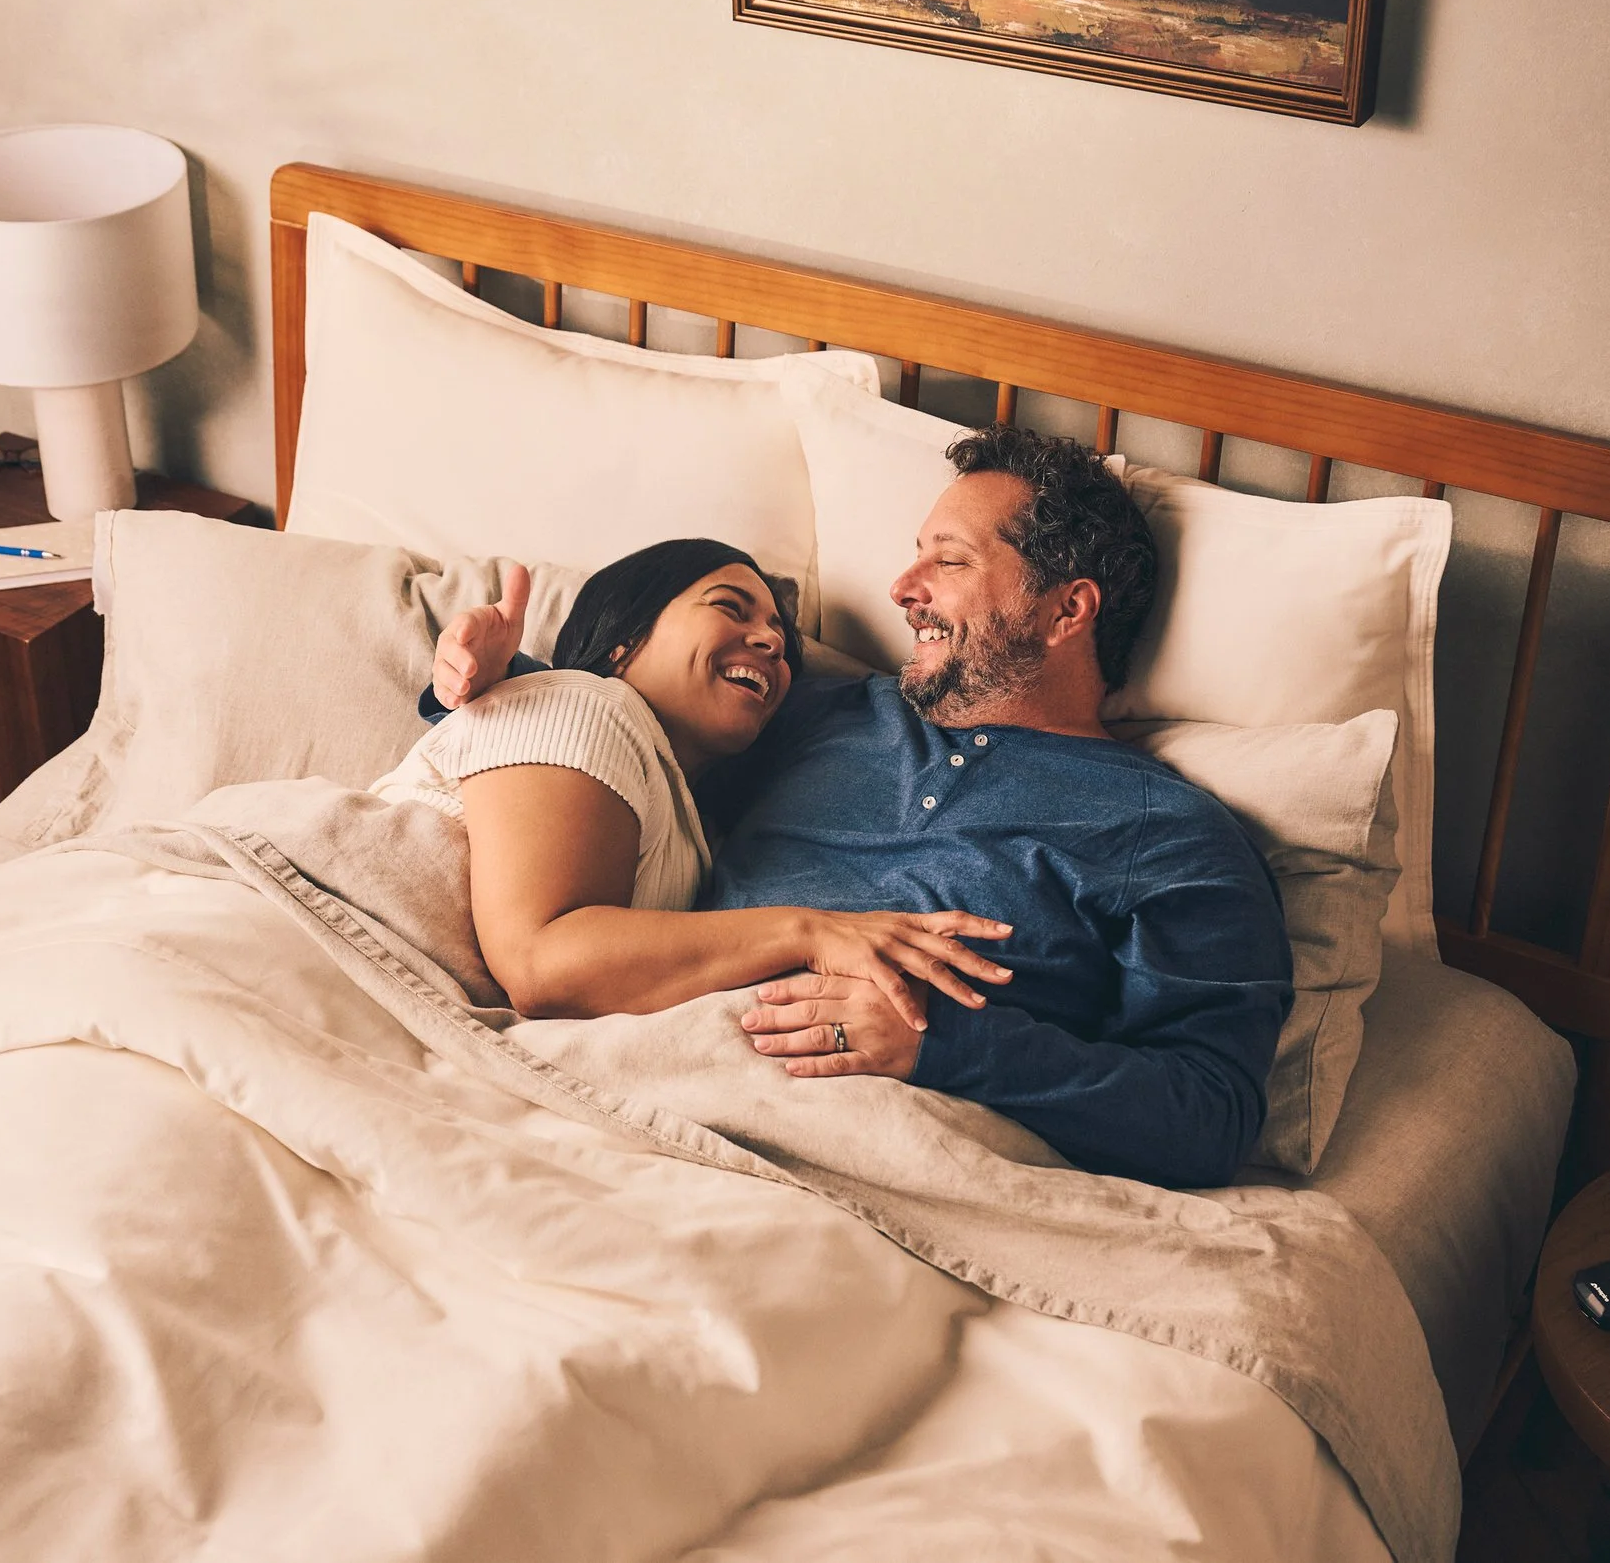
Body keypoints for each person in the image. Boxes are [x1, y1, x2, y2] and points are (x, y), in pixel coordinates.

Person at [430, 429, 1291, 1189]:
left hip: (883, 1155)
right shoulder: (810, 713)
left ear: (1068, 608)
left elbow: (1211, 1114)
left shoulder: (1171, 833)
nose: (901, 588)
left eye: (949, 561)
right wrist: (496, 685)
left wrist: (941, 1043)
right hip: (633, 1092)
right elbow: (627, 734)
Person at [376, 538, 1015, 1030]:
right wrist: (811, 932)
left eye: (782, 639)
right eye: (729, 608)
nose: (771, 642)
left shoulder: (694, 836)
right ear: (624, 639)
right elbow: (542, 964)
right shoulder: (591, 705)